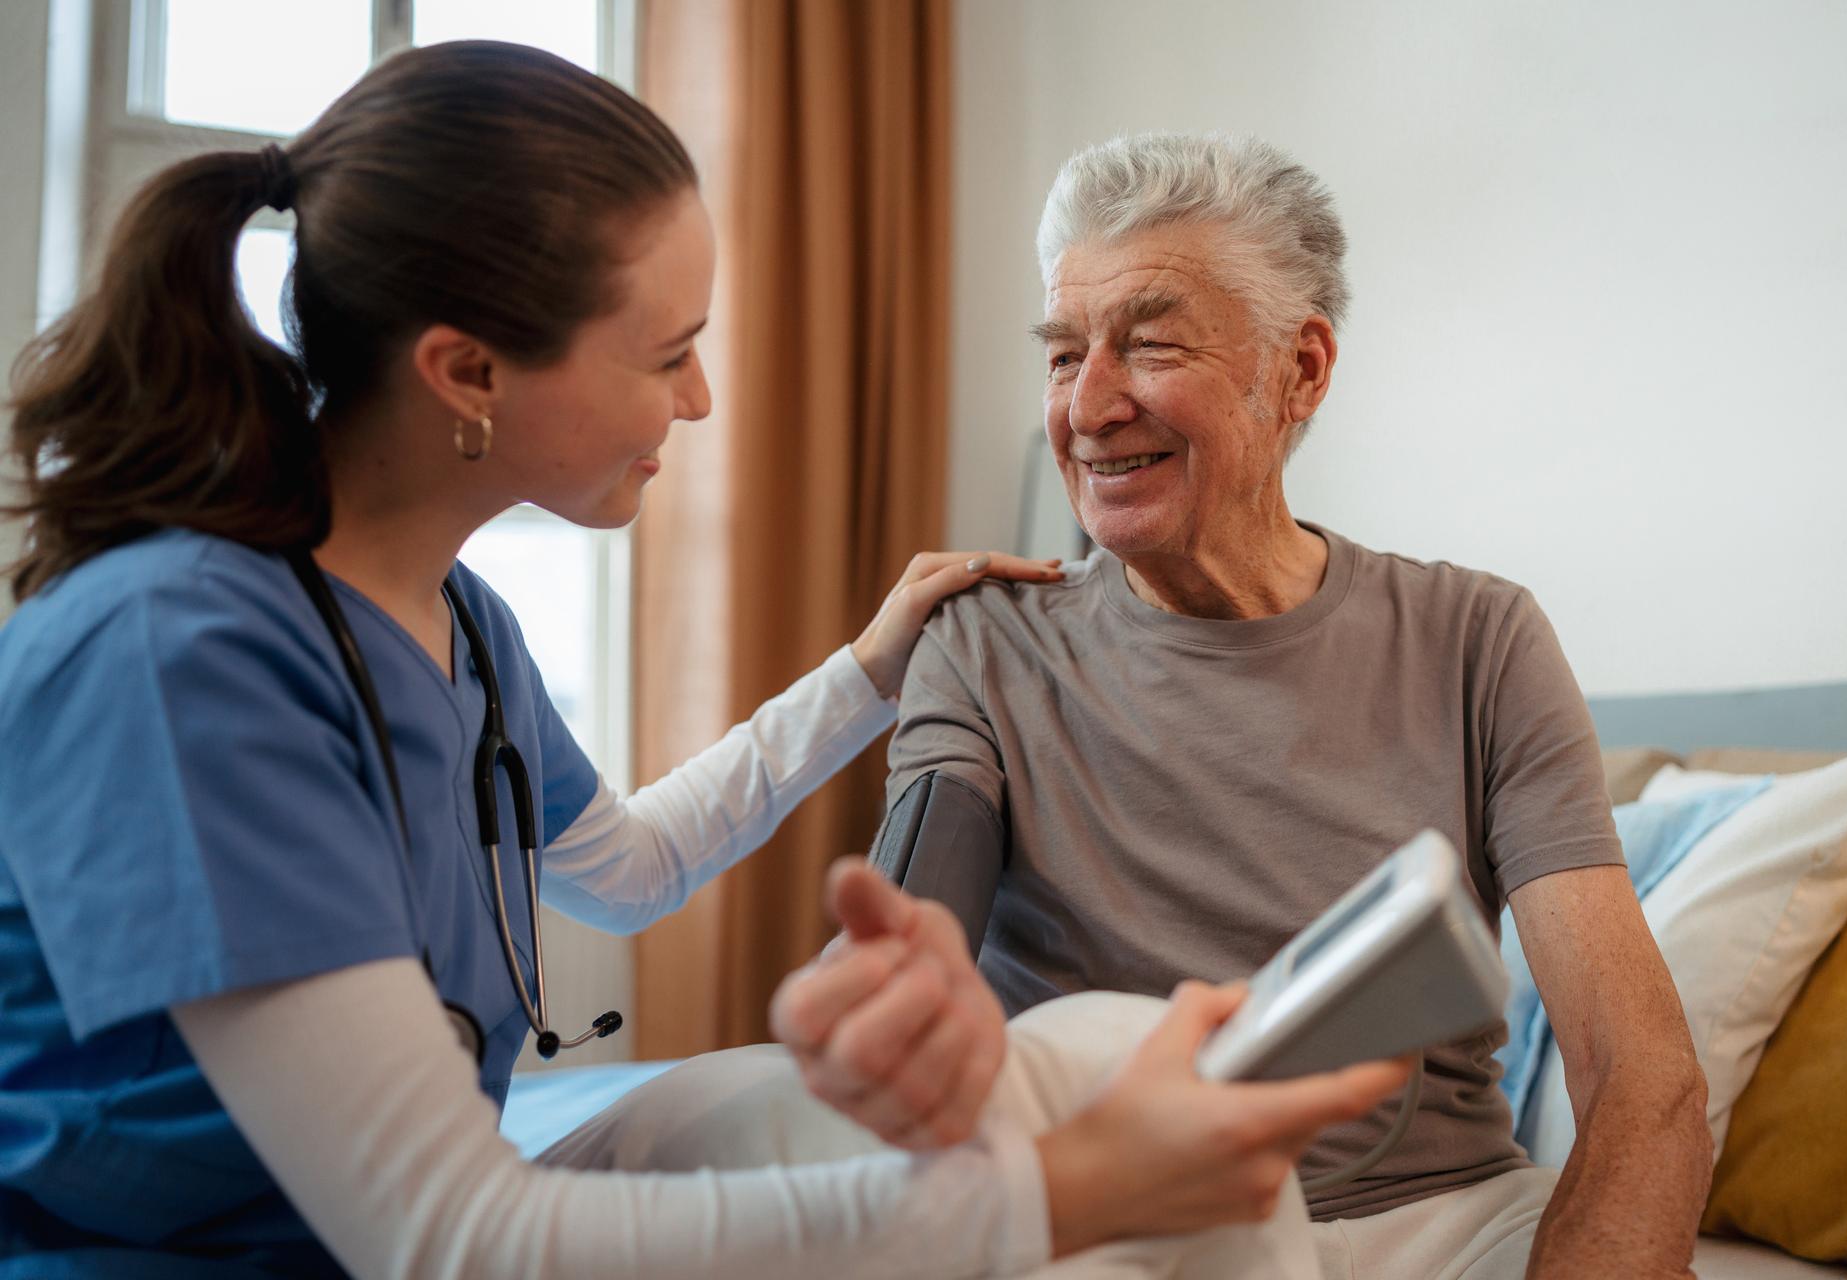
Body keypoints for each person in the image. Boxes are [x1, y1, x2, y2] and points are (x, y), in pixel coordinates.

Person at [0, 47, 1407, 1280]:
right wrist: (1065, 1195)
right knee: (1066, 1194)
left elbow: (623, 864)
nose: (701, 396)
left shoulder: (456, 628)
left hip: (392, 1233)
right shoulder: (179, 659)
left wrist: (864, 670)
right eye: (665, 351)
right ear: (465, 373)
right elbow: (452, 1242)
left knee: (1103, 1048)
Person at [875, 133, 1713, 1278]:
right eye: (1066, 352)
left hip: (1447, 1216)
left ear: (1302, 370)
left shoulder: (1478, 637)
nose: (1091, 403)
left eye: (1151, 343)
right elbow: (908, 938)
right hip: (1131, 1218)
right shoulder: (982, 642)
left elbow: (1639, 1070)